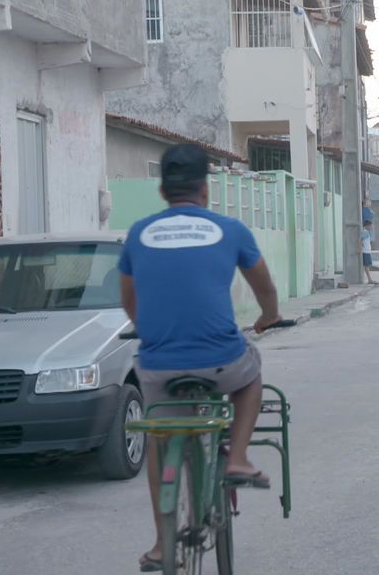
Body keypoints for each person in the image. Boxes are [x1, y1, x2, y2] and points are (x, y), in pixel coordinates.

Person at [118, 144, 282, 572]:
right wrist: (268, 317)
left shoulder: (138, 233)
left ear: (162, 191)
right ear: (205, 189)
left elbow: (129, 301)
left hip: (157, 365)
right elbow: (265, 288)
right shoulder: (230, 229)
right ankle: (240, 457)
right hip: (221, 361)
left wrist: (150, 327)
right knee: (251, 376)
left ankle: (160, 542)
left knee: (161, 437)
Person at [361, 219, 377, 285]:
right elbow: (360, 240)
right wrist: (360, 248)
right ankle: (369, 279)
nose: (371, 227)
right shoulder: (365, 232)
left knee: (367, 266)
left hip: (367, 251)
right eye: (370, 226)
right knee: (366, 266)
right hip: (365, 251)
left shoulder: (366, 232)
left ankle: (369, 279)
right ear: (367, 226)